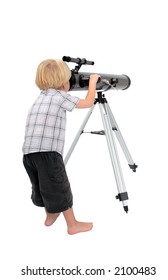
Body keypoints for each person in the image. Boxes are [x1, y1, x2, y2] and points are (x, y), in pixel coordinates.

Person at [22, 58, 100, 235]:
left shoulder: (40, 97)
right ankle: (72, 225)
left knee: (43, 185)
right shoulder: (60, 97)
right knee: (59, 186)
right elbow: (87, 103)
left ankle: (51, 214)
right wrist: (93, 83)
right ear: (63, 82)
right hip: (48, 153)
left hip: (29, 154)